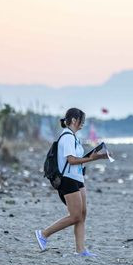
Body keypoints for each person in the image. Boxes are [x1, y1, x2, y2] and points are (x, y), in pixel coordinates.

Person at [35, 108, 107, 256]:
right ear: (74, 120)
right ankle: (43, 234)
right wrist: (94, 158)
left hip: (78, 178)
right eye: (82, 121)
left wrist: (97, 156)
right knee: (75, 216)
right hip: (68, 179)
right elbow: (71, 160)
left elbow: (78, 160)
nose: (83, 124)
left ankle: (81, 250)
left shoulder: (74, 137)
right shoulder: (67, 136)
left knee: (82, 214)